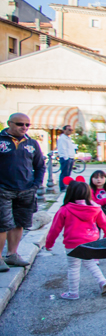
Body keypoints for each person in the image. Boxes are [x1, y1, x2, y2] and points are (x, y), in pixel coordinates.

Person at [44, 180, 106, 299]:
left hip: (72, 243)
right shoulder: (95, 208)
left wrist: (49, 243)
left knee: (73, 267)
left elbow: (55, 229)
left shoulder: (65, 209)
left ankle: (73, 292)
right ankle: (103, 282)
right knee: (91, 263)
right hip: (91, 242)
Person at [0, 113, 46, 272]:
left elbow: (40, 165)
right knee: (3, 225)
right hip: (3, 190)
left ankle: (12, 254)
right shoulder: (1, 141)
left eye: (27, 125)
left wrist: (35, 185)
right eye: (20, 124)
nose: (24, 127)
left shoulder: (32, 143)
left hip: (26, 190)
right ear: (9, 123)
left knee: (20, 223)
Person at [57, 124, 75, 190]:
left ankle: (66, 186)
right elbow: (62, 149)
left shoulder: (68, 138)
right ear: (64, 130)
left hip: (70, 157)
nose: (70, 131)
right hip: (66, 158)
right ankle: (62, 187)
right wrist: (66, 158)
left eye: (71, 130)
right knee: (64, 173)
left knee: (67, 174)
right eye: (69, 130)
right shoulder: (62, 138)